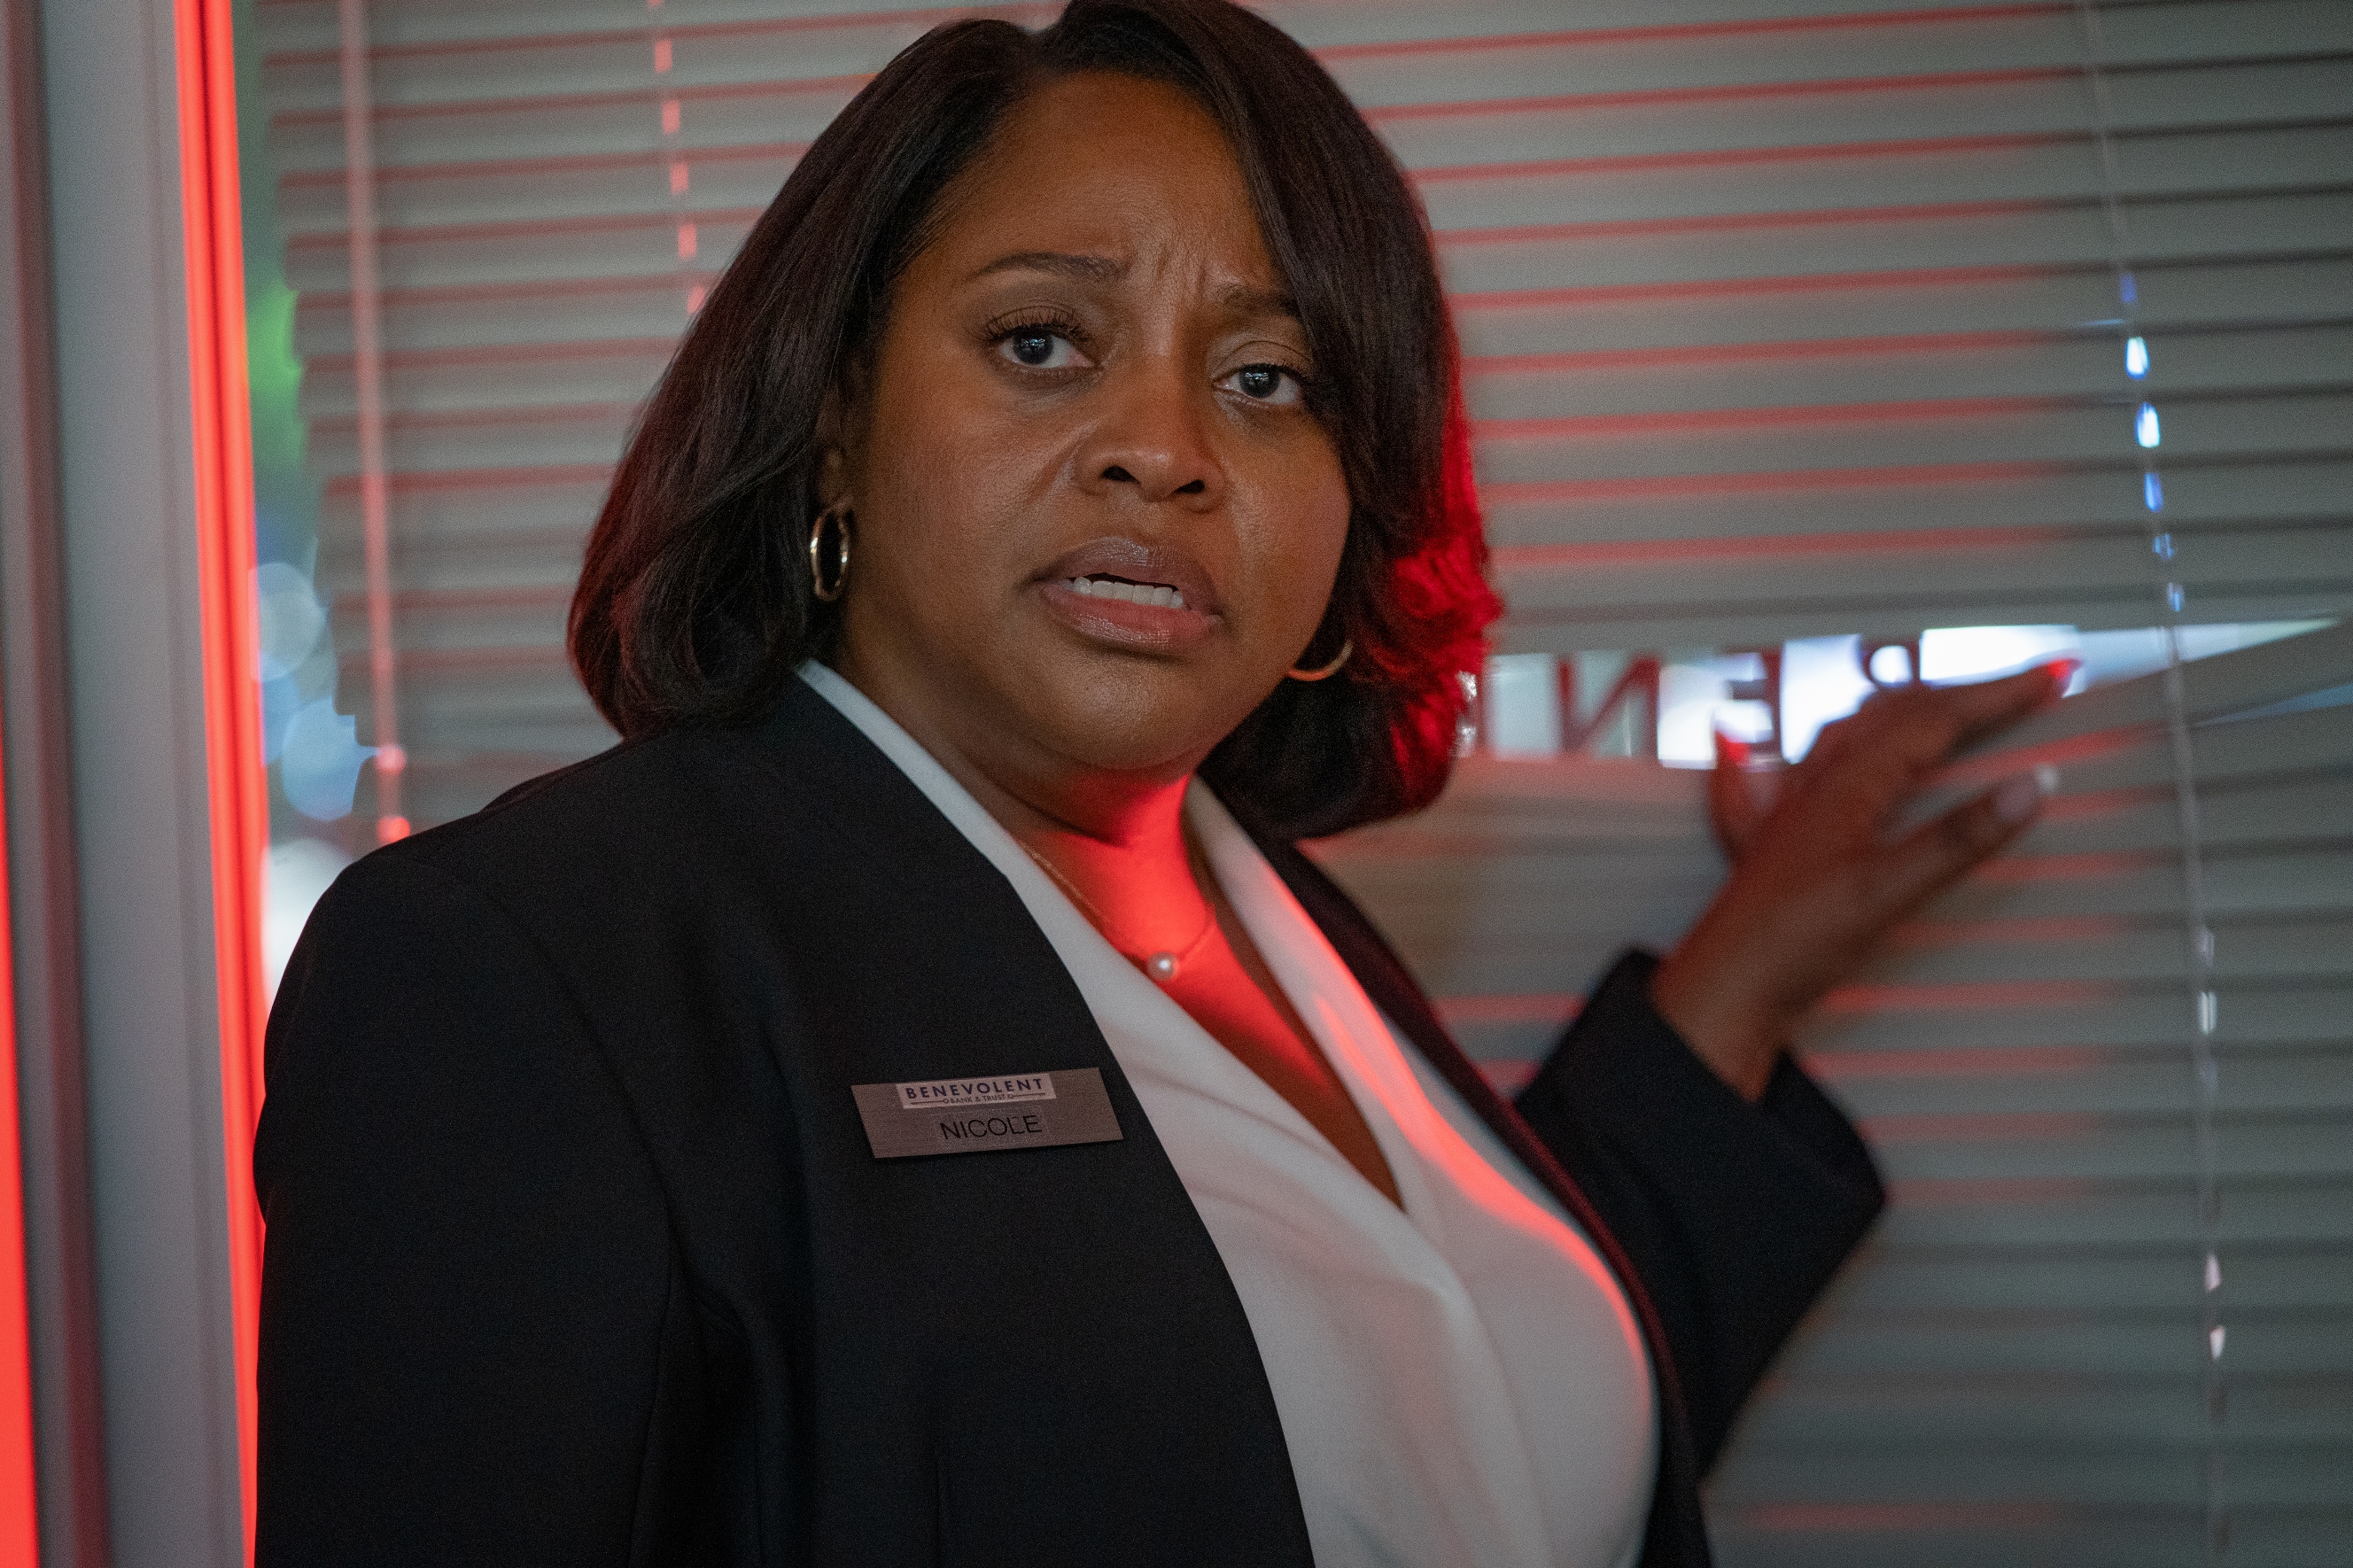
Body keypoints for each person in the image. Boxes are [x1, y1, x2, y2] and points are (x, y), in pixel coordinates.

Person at [253, 2, 2064, 1563]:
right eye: (1042, 340)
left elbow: (1433, 1435)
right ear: (835, 424)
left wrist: (1739, 974)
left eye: (1268, 378)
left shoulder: (1271, 908)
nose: (1162, 448)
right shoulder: (523, 971)